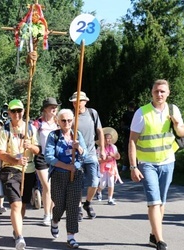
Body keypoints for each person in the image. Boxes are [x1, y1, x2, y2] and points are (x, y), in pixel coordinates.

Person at [129, 79, 184, 250]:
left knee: (161, 202)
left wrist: (177, 125)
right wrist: (133, 166)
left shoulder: (173, 109)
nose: (159, 94)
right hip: (147, 163)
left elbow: (183, 132)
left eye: (162, 91)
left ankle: (154, 235)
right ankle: (160, 240)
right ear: (151, 93)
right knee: (154, 201)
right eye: (156, 91)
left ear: (168, 93)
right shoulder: (142, 113)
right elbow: (132, 141)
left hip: (168, 161)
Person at [0, 99, 40, 250]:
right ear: (9, 113)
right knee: (15, 204)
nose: (17, 114)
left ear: (23, 111)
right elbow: (0, 153)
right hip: (10, 170)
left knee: (23, 204)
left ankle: (17, 229)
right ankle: (20, 237)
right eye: (13, 111)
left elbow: (38, 150)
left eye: (19, 111)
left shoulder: (31, 128)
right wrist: (15, 160)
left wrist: (30, 146)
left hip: (29, 170)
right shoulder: (4, 131)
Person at [44, 109, 87, 249]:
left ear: (73, 120)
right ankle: (55, 220)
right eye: (63, 120)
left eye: (69, 120)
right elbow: (49, 157)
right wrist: (66, 167)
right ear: (58, 121)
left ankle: (71, 236)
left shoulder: (77, 135)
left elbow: (85, 155)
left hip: (76, 174)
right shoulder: (54, 136)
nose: (67, 123)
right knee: (60, 205)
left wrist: (78, 148)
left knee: (73, 206)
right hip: (59, 174)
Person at [69, 91, 105, 220]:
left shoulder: (92, 113)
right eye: (74, 101)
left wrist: (102, 148)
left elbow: (100, 131)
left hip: (90, 153)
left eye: (79, 101)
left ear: (85, 102)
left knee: (95, 182)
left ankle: (88, 203)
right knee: (77, 182)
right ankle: (78, 207)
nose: (76, 103)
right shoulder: (70, 116)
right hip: (75, 155)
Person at [33, 97, 59, 226]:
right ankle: (46, 215)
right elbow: (32, 138)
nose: (54, 108)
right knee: (47, 186)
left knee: (53, 187)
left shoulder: (59, 123)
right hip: (41, 157)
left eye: (55, 106)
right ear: (45, 109)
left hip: (55, 158)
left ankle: (52, 212)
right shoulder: (37, 124)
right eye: (51, 106)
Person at [95, 127, 122, 205]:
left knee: (111, 182)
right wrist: (105, 159)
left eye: (110, 138)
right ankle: (99, 190)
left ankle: (110, 199)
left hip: (112, 167)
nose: (108, 140)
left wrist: (113, 155)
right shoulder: (100, 148)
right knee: (103, 184)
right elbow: (97, 160)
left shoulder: (114, 147)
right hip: (102, 168)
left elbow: (118, 157)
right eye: (107, 138)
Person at [120, 101, 136, 172]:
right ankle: (125, 167)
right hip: (129, 134)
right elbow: (122, 125)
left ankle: (125, 167)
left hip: (130, 134)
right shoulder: (129, 114)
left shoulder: (132, 114)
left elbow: (122, 125)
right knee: (128, 151)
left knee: (127, 151)